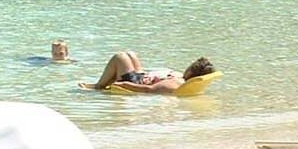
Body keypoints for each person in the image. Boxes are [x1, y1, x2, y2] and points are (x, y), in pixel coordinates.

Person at [84, 51, 215, 95]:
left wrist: (124, 84)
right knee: (131, 54)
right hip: (143, 77)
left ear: (191, 71)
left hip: (135, 82)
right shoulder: (180, 78)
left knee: (120, 56)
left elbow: (148, 89)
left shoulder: (175, 84)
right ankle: (100, 83)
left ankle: (98, 86)